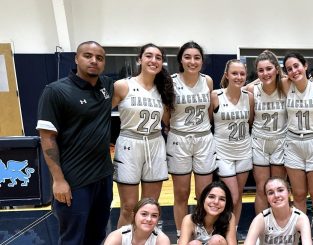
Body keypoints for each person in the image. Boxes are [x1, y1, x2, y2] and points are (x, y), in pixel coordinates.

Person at [37, 41, 113, 244]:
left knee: (97, 235)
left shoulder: (107, 86)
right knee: (73, 238)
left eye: (99, 58)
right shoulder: (55, 91)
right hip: (74, 181)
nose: (94, 61)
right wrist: (58, 180)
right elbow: (47, 137)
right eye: (88, 56)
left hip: (103, 178)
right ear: (76, 59)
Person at [112, 43, 175, 227]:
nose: (153, 60)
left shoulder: (163, 90)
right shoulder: (123, 86)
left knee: (150, 207)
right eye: (148, 56)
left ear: (162, 62)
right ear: (139, 59)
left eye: (158, 57)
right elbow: (99, 115)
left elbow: (168, 122)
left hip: (155, 144)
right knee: (128, 207)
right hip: (129, 144)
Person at [164, 41, 216, 237]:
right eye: (187, 57)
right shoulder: (171, 81)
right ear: (180, 60)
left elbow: (209, 112)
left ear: (202, 61)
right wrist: (178, 128)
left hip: (203, 139)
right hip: (179, 139)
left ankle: (203, 232)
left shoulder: (208, 81)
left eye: (197, 57)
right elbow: (166, 113)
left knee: (204, 195)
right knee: (181, 194)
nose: (192, 61)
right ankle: (181, 234)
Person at [282, 52, 313, 238]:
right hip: (293, 142)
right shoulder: (286, 85)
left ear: (305, 65)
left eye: (296, 66)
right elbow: (263, 80)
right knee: (299, 194)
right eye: (289, 69)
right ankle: (303, 232)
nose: (294, 71)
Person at [210, 59, 254, 227]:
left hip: (244, 151)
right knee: (232, 197)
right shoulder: (215, 96)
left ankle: (232, 230)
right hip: (223, 153)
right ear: (226, 75)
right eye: (234, 73)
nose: (238, 77)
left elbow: (249, 122)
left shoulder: (249, 97)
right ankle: (221, 228)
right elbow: (207, 121)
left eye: (242, 73)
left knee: (239, 196)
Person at [244, 50, 288, 214]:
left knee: (279, 189)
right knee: (262, 189)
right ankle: (262, 229)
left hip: (281, 141)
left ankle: (282, 226)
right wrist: (265, 75)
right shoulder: (251, 89)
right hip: (259, 141)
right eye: (261, 70)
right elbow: (250, 118)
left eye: (269, 69)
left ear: (277, 69)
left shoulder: (286, 86)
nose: (265, 73)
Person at [244, 177, 312, 245]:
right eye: (271, 193)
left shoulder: (300, 218)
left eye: (280, 190)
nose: (276, 195)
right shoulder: (261, 219)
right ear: (267, 198)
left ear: (289, 192)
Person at [104, 198, 170, 245]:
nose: (149, 219)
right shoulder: (117, 236)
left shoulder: (162, 240)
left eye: (154, 215)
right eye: (144, 214)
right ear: (134, 215)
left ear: (158, 218)